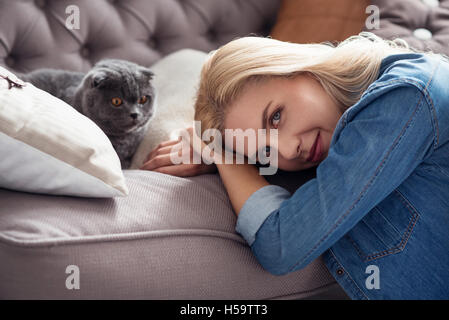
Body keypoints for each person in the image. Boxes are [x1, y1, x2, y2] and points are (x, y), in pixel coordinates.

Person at [141, 32, 449, 299]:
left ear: (302, 69)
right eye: (264, 152)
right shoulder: (337, 153)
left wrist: (223, 156)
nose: (289, 150)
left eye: (275, 117)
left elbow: (282, 246)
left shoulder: (407, 94)